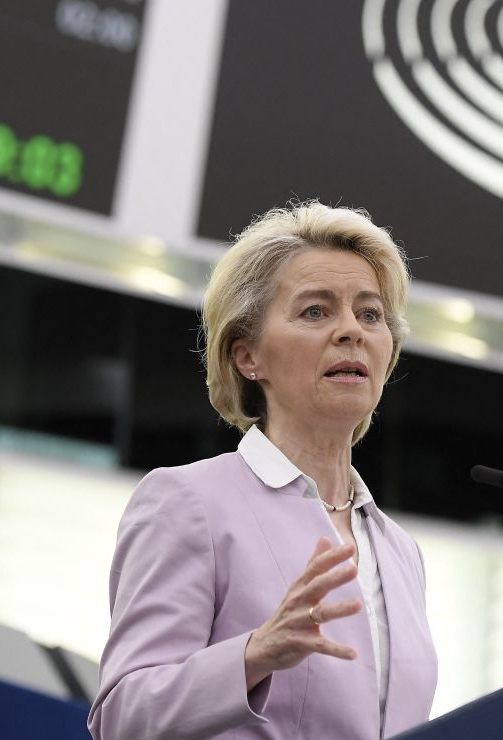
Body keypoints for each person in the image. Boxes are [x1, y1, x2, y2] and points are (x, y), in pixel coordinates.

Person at [88, 202, 437, 739]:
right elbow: (123, 717)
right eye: (316, 312)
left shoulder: (400, 550)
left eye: (370, 314)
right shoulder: (188, 502)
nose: (352, 331)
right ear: (248, 357)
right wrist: (254, 655)